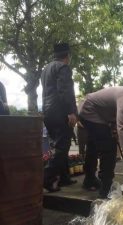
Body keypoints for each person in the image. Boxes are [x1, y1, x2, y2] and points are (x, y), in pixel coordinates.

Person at [41, 43, 78, 192]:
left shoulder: (45, 69)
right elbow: (65, 90)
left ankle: (64, 177)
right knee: (62, 147)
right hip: (60, 111)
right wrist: (71, 112)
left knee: (60, 145)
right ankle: (47, 179)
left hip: (48, 112)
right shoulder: (63, 68)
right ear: (67, 56)